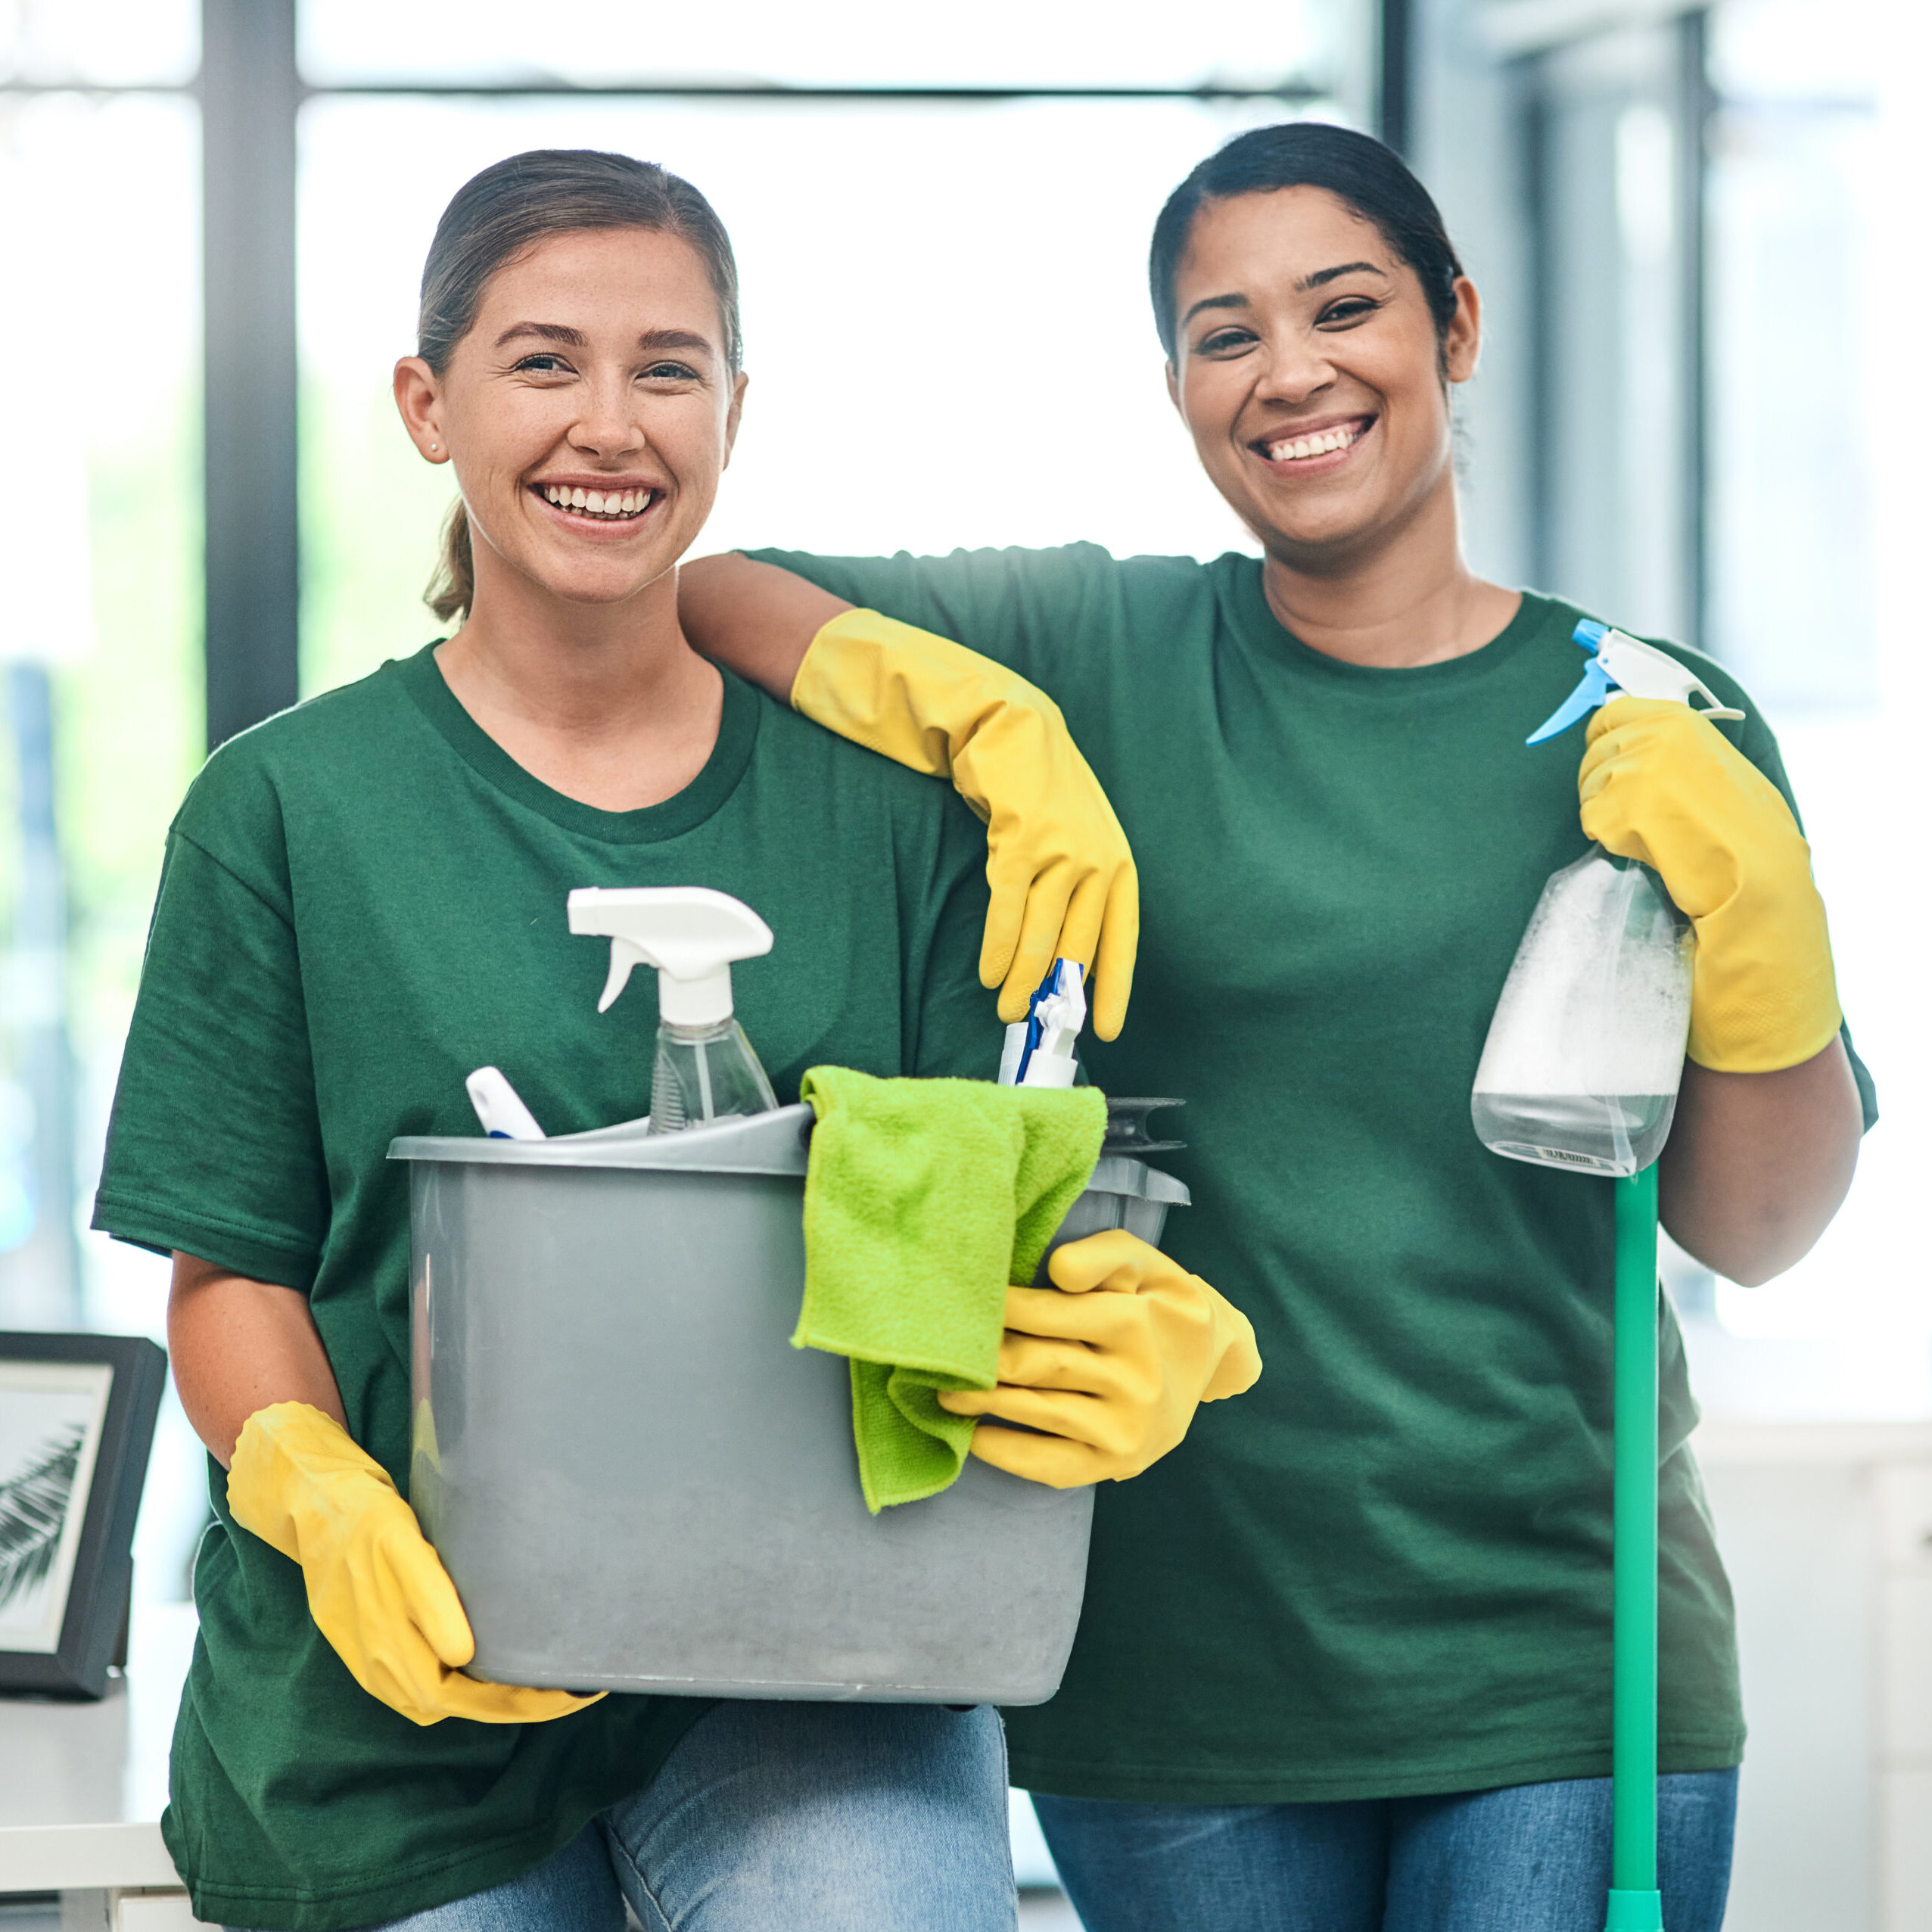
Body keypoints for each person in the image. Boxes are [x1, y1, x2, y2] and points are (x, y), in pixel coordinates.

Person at [677, 121, 1873, 1932]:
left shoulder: (1650, 718)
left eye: (1342, 307)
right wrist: (983, 724)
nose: (1288, 371)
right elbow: (708, 587)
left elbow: (1756, 1229)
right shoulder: (1097, 645)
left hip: (1557, 1657)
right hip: (1175, 1674)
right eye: (1223, 333)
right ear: (1173, 386)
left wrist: (1765, 930)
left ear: (1452, 324)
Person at [92, 148, 1257, 1932]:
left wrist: (1125, 1310)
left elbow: (1012, 1201)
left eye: (666, 367)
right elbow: (229, 1267)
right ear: (427, 403)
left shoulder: (891, 819)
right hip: (400, 1685)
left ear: (733, 406)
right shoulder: (284, 812)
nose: (609, 425)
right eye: (543, 361)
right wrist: (311, 1486)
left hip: (813, 1661)